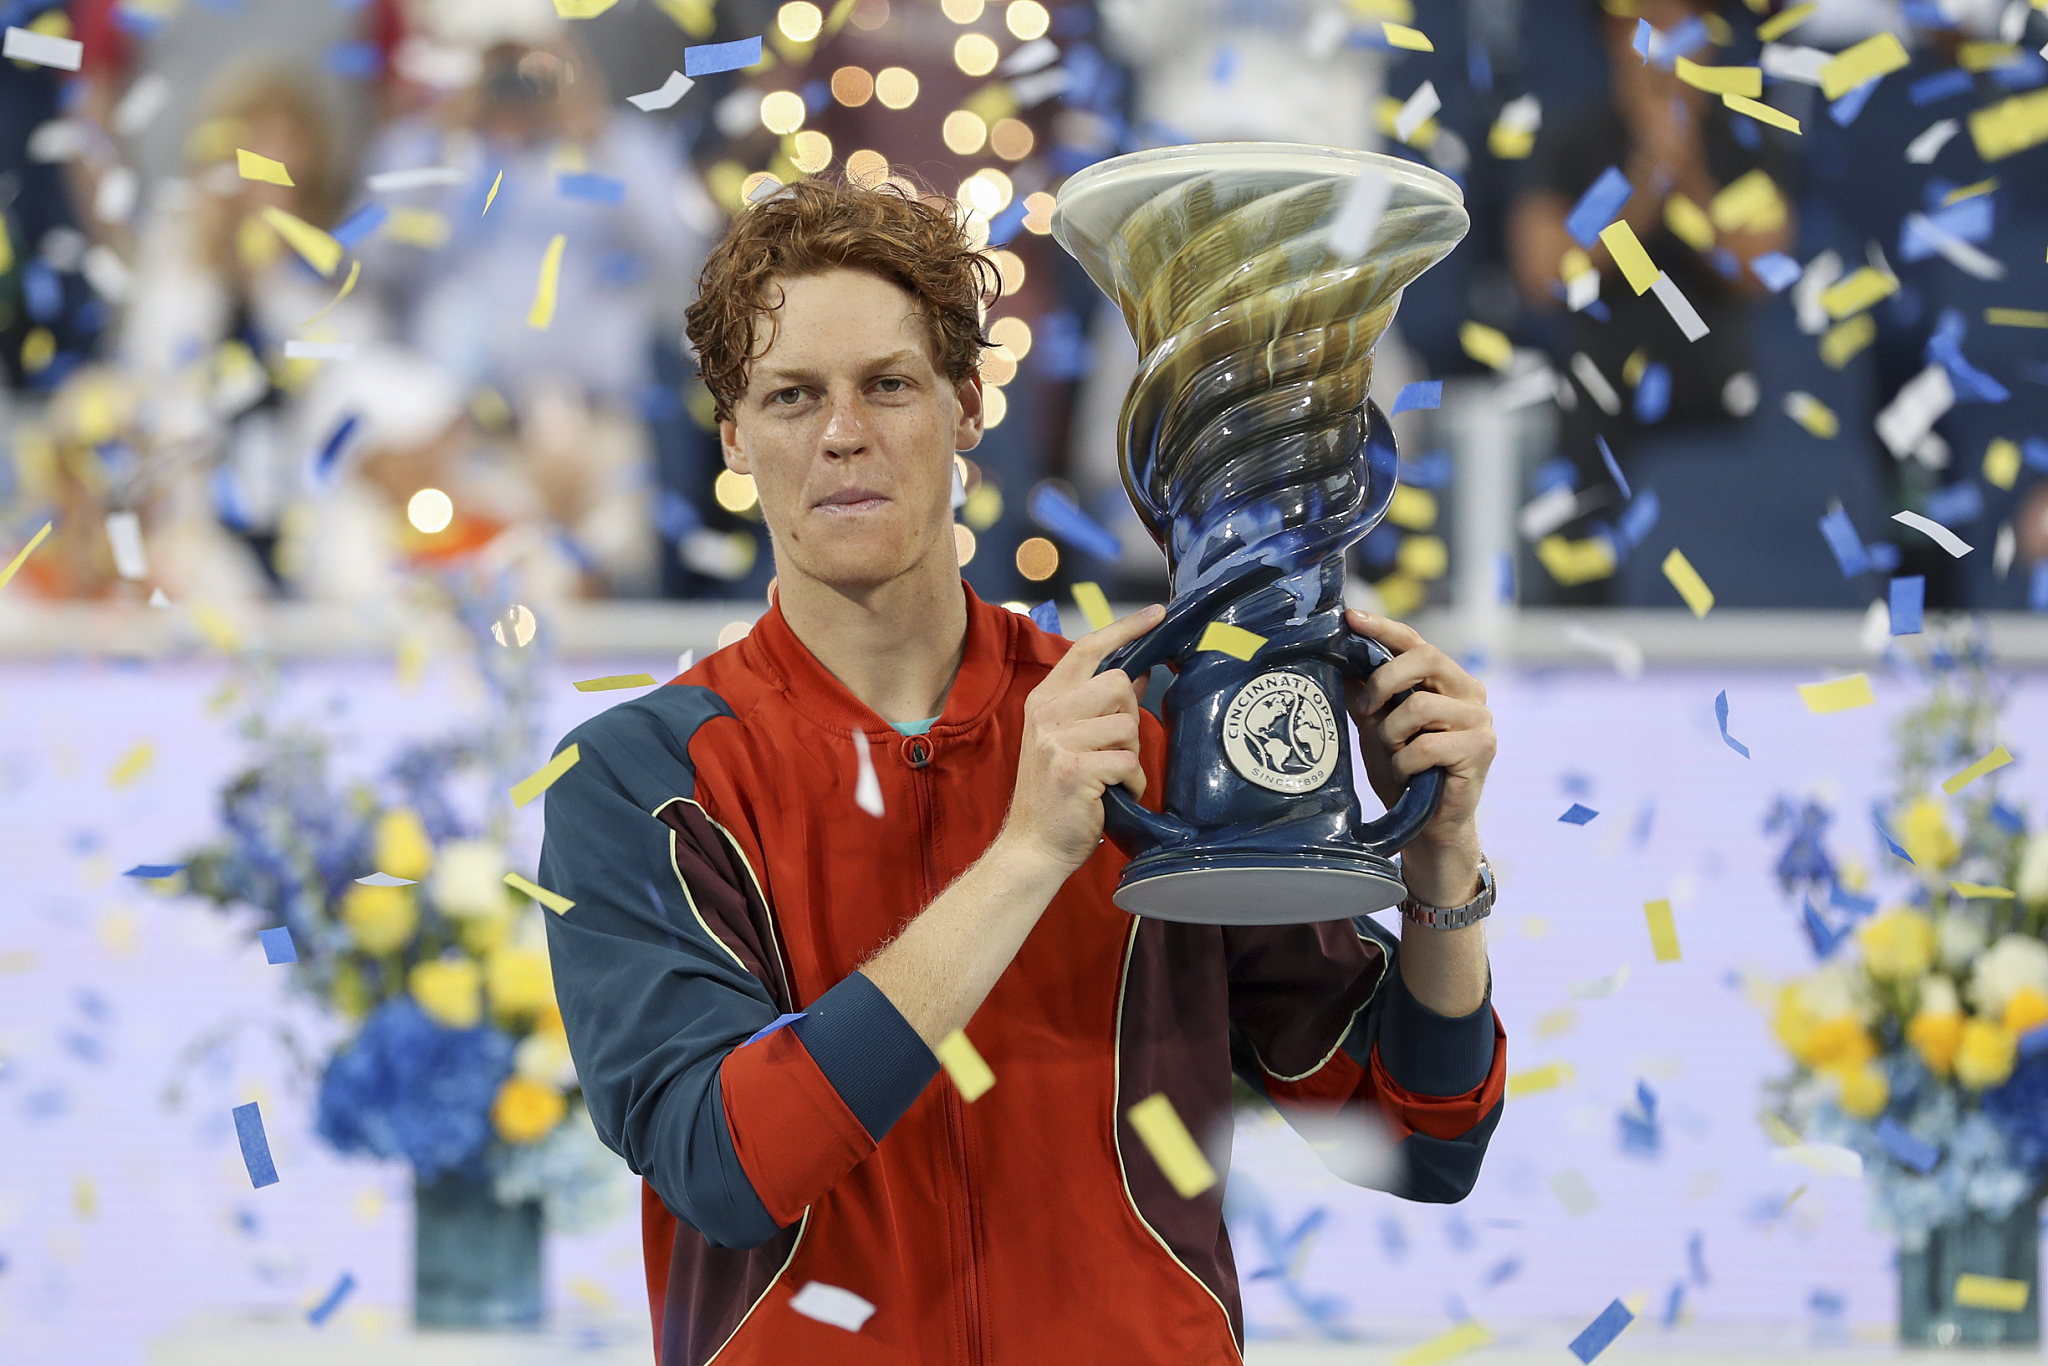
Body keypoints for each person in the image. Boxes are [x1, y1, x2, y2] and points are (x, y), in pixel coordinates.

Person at [538, 174, 1505, 1365]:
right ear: (734, 435)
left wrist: (1438, 860)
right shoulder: (641, 776)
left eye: (888, 384)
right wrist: (1030, 851)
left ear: (965, 405)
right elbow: (727, 1165)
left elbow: (1418, 1140)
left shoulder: (1143, 732)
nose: (843, 432)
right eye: (792, 396)